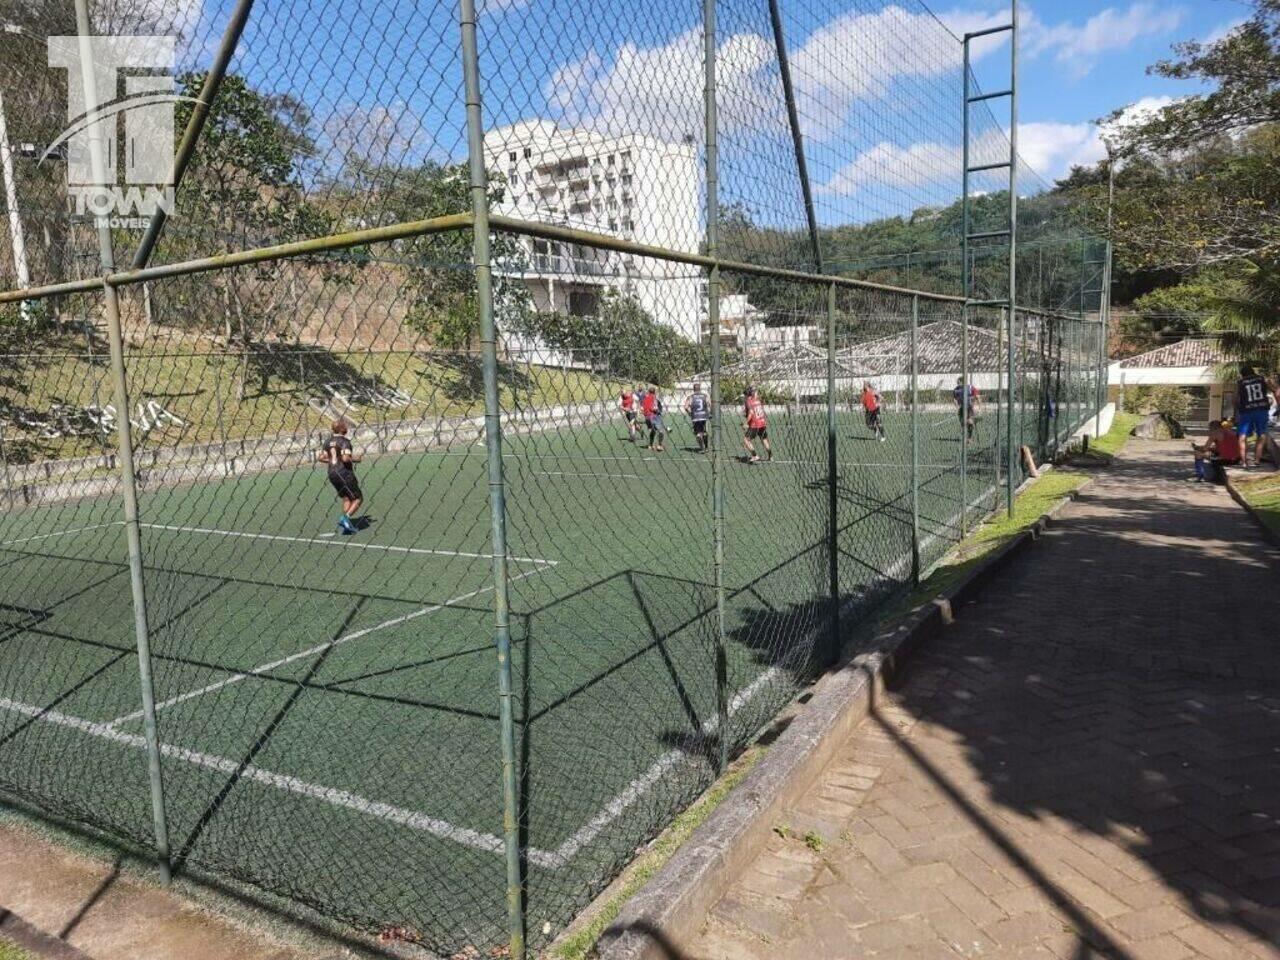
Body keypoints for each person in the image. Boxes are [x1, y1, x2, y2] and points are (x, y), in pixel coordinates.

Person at [318, 419, 363, 535]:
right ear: (343, 428)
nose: (347, 427)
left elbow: (321, 457)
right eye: (345, 425)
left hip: (332, 473)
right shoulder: (345, 441)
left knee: (347, 498)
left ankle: (346, 523)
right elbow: (345, 458)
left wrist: (334, 460)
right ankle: (346, 518)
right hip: (344, 473)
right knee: (358, 498)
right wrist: (356, 459)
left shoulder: (327, 442)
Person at [1234, 364, 1275, 468]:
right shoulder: (1262, 379)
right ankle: (1257, 460)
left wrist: (1239, 409)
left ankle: (1244, 462)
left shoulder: (1240, 383)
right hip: (1261, 410)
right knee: (1261, 435)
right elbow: (1274, 390)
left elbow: (1234, 400)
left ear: (1242, 374)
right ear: (1252, 371)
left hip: (1246, 411)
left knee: (1242, 436)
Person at [1192, 418, 1241, 483]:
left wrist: (1197, 448)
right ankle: (1211, 473)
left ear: (1212, 428)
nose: (1209, 430)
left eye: (1209, 428)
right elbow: (1222, 448)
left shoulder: (1214, 434)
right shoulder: (1230, 432)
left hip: (1225, 459)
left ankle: (1200, 474)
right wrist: (1205, 448)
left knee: (1198, 454)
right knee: (1211, 454)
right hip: (1236, 459)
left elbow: (1204, 449)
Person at [742, 386, 772, 463]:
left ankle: (755, 455)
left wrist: (746, 423)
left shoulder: (748, 401)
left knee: (746, 440)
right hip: (762, 422)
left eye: (744, 396)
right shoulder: (757, 400)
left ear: (746, 395)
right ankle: (770, 456)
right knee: (764, 440)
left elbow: (751, 413)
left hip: (755, 424)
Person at [684, 382, 711, 453]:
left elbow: (686, 407)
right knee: (704, 432)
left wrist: (690, 413)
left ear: (693, 389)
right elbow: (709, 404)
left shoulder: (691, 397)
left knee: (698, 433)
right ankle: (707, 447)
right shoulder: (705, 396)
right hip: (704, 416)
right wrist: (708, 412)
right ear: (700, 389)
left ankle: (702, 448)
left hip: (695, 417)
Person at [643, 386, 667, 451]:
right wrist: (659, 412)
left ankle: (650, 445)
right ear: (655, 392)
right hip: (653, 416)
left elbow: (643, 408)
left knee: (652, 431)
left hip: (647, 417)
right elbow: (654, 408)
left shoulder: (645, 399)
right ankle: (659, 445)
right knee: (661, 431)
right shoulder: (654, 398)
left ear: (648, 392)